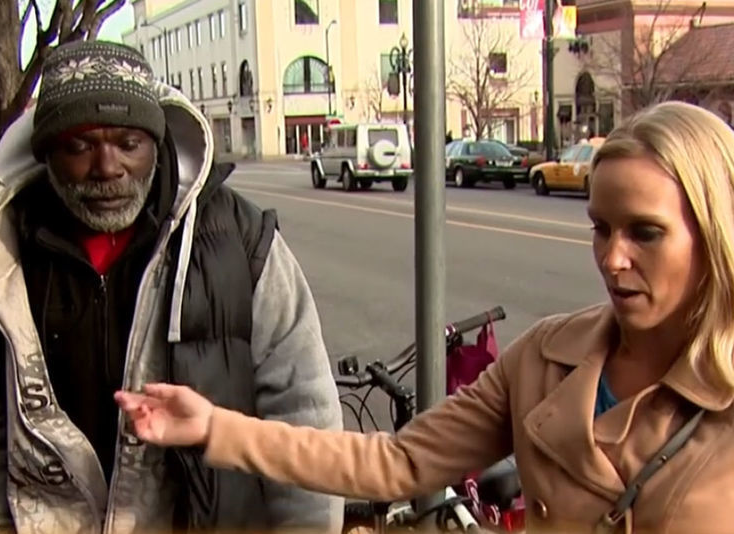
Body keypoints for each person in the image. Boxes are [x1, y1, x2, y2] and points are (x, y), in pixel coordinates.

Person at [117, 101, 734, 534]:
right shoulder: (547, 358)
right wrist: (216, 428)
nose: (612, 258)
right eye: (601, 228)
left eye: (645, 234)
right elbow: (397, 462)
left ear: (713, 233)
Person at [0, 40, 344, 534]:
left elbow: (304, 411)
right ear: (47, 153)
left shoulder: (242, 241)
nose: (108, 168)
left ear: (157, 141)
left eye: (128, 143)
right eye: (80, 146)